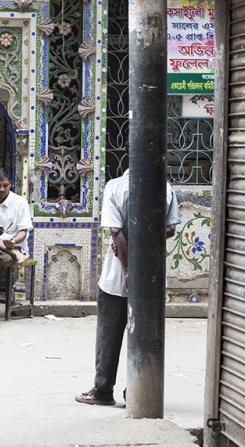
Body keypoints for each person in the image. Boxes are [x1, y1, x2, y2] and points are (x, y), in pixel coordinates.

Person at [75, 160, 181, 405]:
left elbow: (117, 233)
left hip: (115, 277)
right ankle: (138, 389)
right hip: (152, 274)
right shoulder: (165, 188)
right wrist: (144, 246)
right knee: (147, 334)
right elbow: (170, 229)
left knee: (108, 335)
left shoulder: (114, 187)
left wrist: (128, 270)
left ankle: (102, 390)